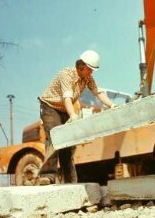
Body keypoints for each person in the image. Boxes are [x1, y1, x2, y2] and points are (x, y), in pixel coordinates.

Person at [37, 50, 115, 185]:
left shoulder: (87, 78)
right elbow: (67, 97)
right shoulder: (66, 74)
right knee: (55, 137)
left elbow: (98, 92)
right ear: (82, 66)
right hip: (50, 107)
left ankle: (70, 181)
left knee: (68, 143)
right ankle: (47, 176)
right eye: (90, 70)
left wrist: (112, 105)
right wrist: (73, 115)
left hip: (64, 109)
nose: (91, 73)